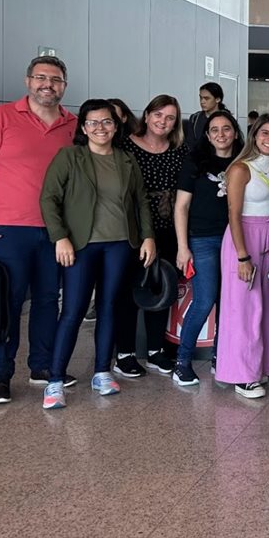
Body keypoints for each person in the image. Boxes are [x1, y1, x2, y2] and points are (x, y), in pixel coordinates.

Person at [0, 55, 77, 405]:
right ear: (28, 81)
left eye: (56, 79)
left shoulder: (74, 125)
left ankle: (41, 367)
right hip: (7, 230)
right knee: (7, 305)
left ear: (64, 85)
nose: (48, 84)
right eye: (41, 77)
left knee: (47, 301)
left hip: (56, 232)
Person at [39, 100, 156, 409]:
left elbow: (140, 201)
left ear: (116, 127)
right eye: (93, 123)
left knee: (109, 308)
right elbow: (49, 198)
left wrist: (147, 237)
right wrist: (60, 238)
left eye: (106, 122)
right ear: (83, 127)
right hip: (81, 245)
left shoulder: (126, 160)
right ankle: (55, 379)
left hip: (119, 244)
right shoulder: (70, 157)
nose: (100, 128)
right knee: (73, 311)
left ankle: (102, 371)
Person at [217, 113, 269, 399]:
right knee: (244, 309)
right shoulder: (240, 169)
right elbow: (233, 214)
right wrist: (243, 257)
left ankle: (262, 367)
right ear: (254, 135)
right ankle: (241, 375)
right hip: (244, 239)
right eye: (264, 133)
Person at [172, 109, 243, 386]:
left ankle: (220, 357)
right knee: (204, 300)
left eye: (226, 129)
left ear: (235, 133)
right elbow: (182, 207)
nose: (221, 134)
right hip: (202, 240)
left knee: (231, 302)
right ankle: (182, 361)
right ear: (207, 135)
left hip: (235, 239)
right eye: (215, 130)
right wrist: (182, 247)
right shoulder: (195, 162)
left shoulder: (243, 162)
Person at [117, 94, 186, 377]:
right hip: (131, 230)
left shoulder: (179, 150)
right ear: (146, 116)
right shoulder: (124, 147)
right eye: (158, 115)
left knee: (162, 288)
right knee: (128, 291)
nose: (163, 121)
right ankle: (124, 353)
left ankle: (156, 351)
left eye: (170, 117)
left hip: (169, 229)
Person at [184, 82, 226, 146]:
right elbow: (190, 144)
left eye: (207, 98)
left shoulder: (227, 119)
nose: (202, 102)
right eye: (201, 98)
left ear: (217, 99)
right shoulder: (194, 118)